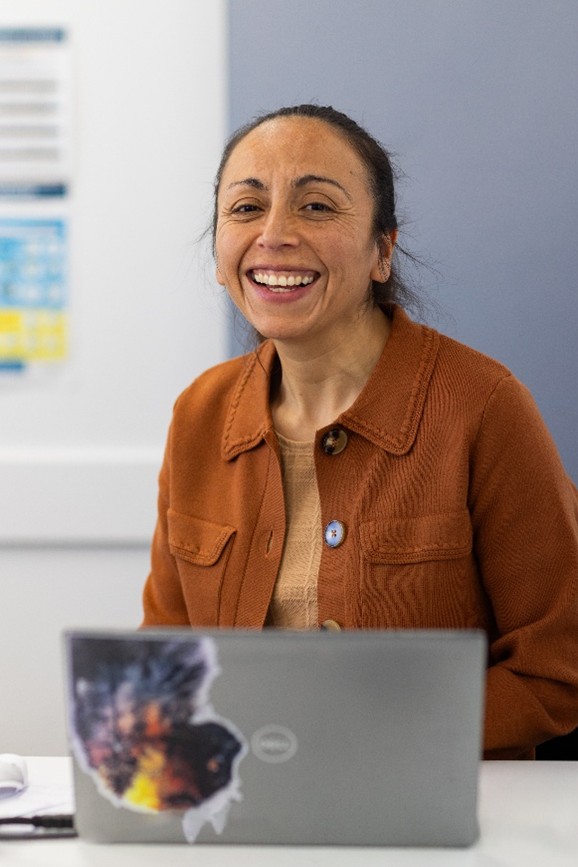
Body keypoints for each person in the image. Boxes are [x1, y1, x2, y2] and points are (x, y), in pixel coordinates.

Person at [142, 104, 578, 760]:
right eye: (245, 208)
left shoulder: (484, 405)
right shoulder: (199, 415)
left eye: (317, 206)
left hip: (440, 820)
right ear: (219, 253)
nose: (275, 235)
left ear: (382, 250)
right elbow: (163, 664)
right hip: (247, 813)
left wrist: (379, 749)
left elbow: (557, 668)